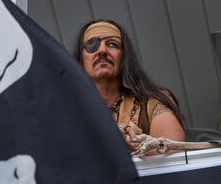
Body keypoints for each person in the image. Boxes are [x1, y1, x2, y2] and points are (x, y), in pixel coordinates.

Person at [74, 19, 189, 154]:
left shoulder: (152, 103)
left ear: (124, 57)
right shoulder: (67, 111)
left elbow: (173, 154)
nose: (102, 50)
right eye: (92, 45)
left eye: (112, 44)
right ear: (81, 59)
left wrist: (131, 147)